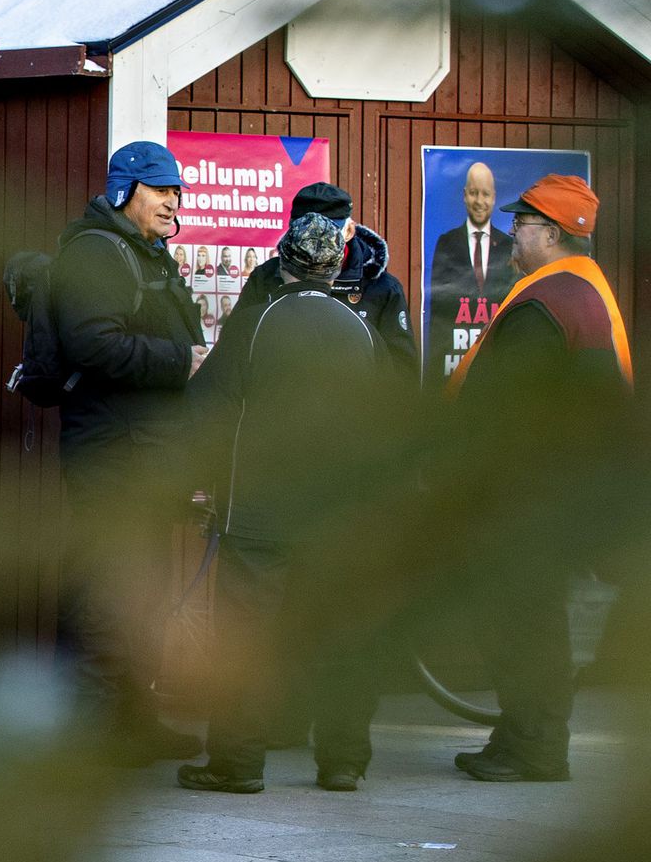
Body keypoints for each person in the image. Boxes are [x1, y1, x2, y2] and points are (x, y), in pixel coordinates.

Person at [178, 213, 394, 795]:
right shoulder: (360, 330)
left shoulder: (256, 322)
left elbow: (205, 410)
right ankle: (344, 762)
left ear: (285, 261)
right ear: (334, 268)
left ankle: (237, 765)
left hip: (260, 511)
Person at [444, 174, 633, 783]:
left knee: (522, 622)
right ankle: (522, 737)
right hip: (557, 495)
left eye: (519, 226)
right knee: (533, 618)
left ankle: (535, 746)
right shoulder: (583, 292)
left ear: (549, 234)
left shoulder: (545, 303)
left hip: (524, 500)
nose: (510, 236)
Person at [53, 141, 207, 764]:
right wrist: (182, 361)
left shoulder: (146, 253)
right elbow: (92, 345)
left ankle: (135, 719)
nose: (173, 202)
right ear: (125, 192)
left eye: (178, 191)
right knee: (105, 586)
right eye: (161, 190)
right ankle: (91, 733)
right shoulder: (97, 252)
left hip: (144, 450)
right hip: (111, 452)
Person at [229, 183, 413, 373]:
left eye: (327, 231)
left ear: (349, 231)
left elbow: (402, 374)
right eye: (304, 231)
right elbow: (233, 348)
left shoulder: (382, 288)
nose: (314, 241)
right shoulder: (266, 277)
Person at [428, 161, 519, 323]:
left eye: (485, 194)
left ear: (494, 198)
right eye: (473, 192)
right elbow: (438, 310)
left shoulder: (508, 246)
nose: (479, 201)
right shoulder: (446, 243)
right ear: (464, 195)